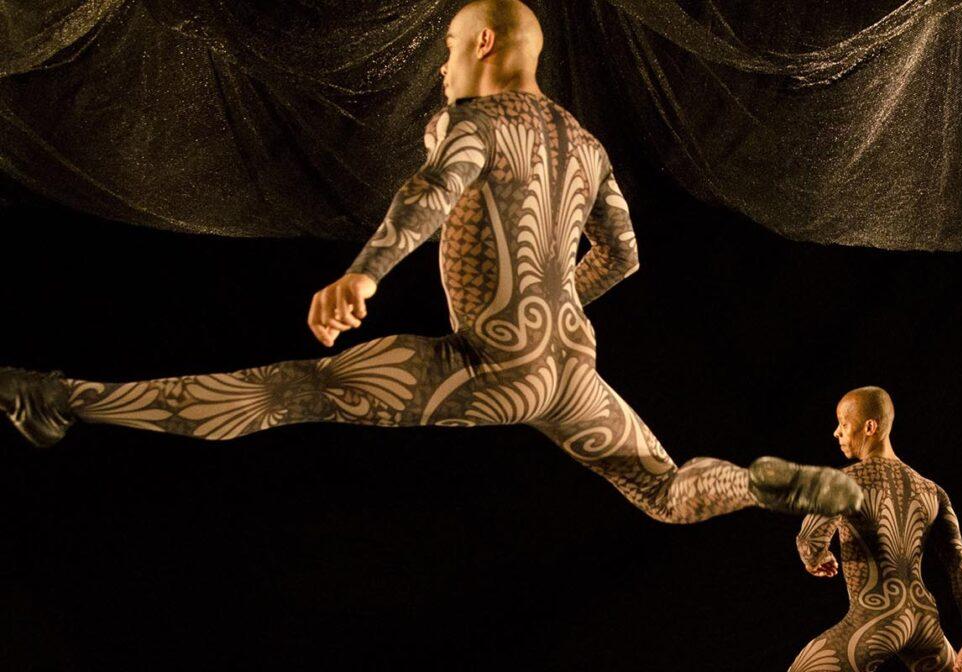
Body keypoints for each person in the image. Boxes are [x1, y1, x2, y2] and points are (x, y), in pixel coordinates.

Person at [0, 0, 861, 523]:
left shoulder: (476, 123)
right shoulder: (588, 144)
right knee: (669, 491)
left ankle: (60, 397)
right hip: (571, 369)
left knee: (294, 390)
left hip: (500, 366)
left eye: (449, 47)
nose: (443, 64)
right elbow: (625, 257)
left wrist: (365, 274)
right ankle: (760, 484)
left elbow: (433, 193)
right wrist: (552, 306)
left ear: (485, 45)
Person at [789, 387, 962, 672]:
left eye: (843, 423)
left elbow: (809, 540)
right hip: (924, 623)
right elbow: (959, 567)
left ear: (870, 426)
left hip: (874, 621)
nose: (836, 432)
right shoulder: (933, 491)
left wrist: (818, 558)